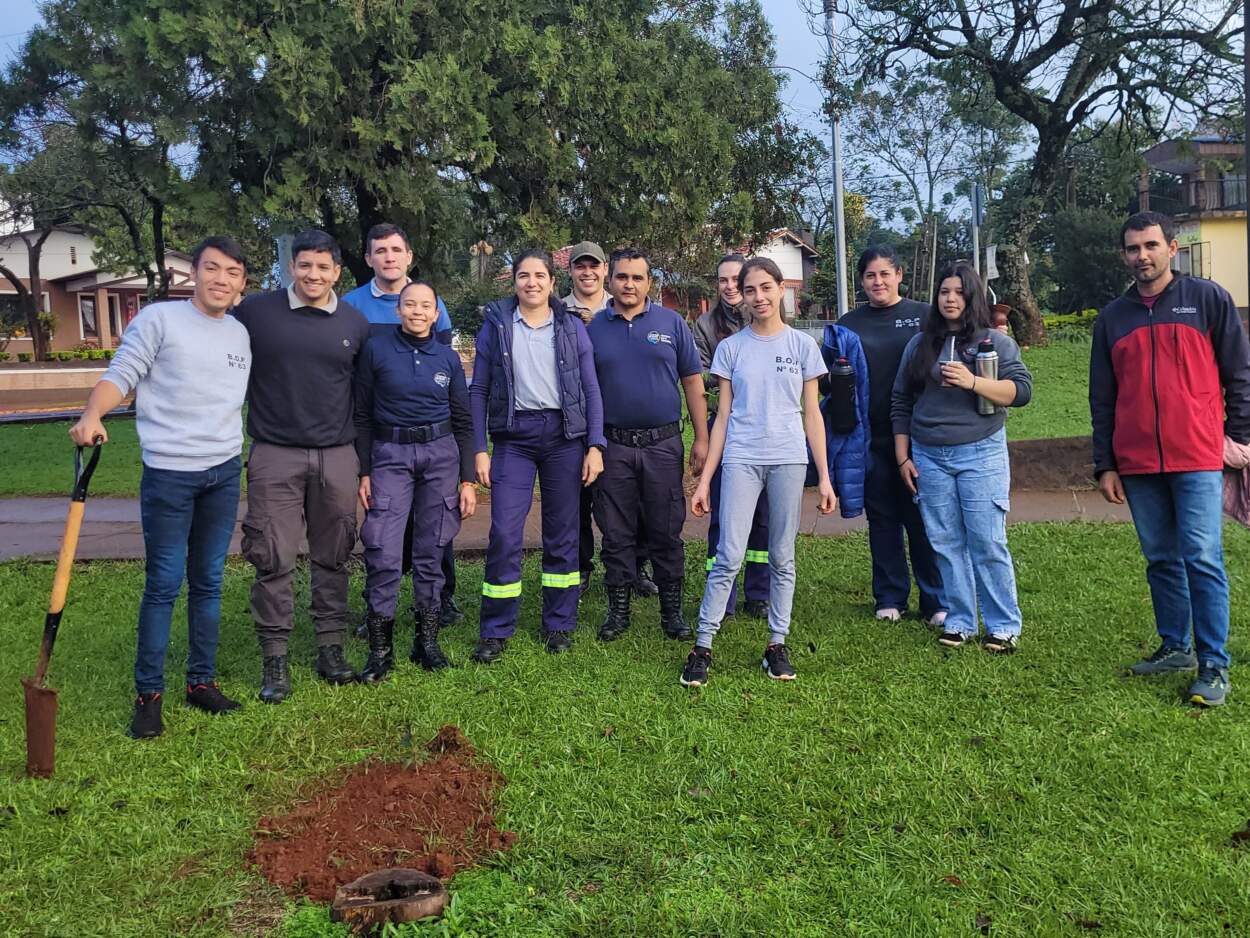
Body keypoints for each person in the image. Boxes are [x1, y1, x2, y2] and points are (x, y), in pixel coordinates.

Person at [69, 236, 251, 738]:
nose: (221, 280)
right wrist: (91, 412)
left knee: (210, 582)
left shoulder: (239, 333)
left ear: (242, 283)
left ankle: (201, 683)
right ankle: (149, 695)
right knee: (164, 584)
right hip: (171, 474)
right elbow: (122, 372)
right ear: (192, 273)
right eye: (212, 269)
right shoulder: (159, 320)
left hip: (223, 471)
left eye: (232, 273)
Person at [1091, 211, 1250, 707]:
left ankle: (1214, 665)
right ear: (1124, 255)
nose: (1143, 256)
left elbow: (1240, 373)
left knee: (1201, 557)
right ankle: (1175, 647)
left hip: (1198, 455)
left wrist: (1240, 436)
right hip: (1137, 462)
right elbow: (1103, 397)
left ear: (1171, 248)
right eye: (1133, 248)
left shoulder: (1207, 300)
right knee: (1161, 558)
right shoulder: (1113, 317)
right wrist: (1105, 463)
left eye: (1151, 246)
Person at [683, 257, 836, 687]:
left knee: (782, 556)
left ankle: (776, 644)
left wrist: (824, 476)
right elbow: (724, 417)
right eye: (750, 290)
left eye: (765, 288)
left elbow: (813, 415)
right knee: (728, 555)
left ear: (780, 288)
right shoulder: (731, 349)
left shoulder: (803, 346)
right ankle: (702, 646)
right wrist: (705, 480)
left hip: (789, 459)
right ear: (741, 296)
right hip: (741, 460)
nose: (759, 297)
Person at [233, 230, 372, 702]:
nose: (314, 275)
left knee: (333, 553)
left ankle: (330, 648)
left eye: (324, 267)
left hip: (337, 453)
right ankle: (275, 658)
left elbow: (363, 394)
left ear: (337, 272)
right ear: (291, 267)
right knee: (272, 554)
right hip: (276, 451)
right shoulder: (255, 313)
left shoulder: (354, 322)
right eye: (305, 266)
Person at [470, 249, 606, 661]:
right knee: (505, 533)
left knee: (562, 533)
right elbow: (477, 390)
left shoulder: (570, 326)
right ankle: (496, 629)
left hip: (564, 437)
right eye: (523, 275)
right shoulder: (496, 325)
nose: (531, 282)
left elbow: (591, 388)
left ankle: (559, 624)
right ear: (514, 282)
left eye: (539, 275)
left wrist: (595, 445)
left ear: (552, 282)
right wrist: (479, 449)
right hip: (513, 438)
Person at [891, 261, 1032, 652]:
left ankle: (1003, 625)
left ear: (972, 297)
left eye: (959, 292)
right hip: (928, 454)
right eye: (943, 292)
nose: (950, 299)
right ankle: (960, 620)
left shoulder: (995, 342)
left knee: (987, 541)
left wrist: (974, 382)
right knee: (945, 541)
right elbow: (901, 400)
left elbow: (1021, 392)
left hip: (980, 452)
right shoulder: (920, 344)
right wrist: (904, 456)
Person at [353, 281, 477, 682]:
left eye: (426, 306)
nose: (419, 311)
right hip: (391, 454)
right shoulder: (376, 350)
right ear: (398, 310)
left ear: (436, 313)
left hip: (440, 456)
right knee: (384, 549)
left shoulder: (448, 358)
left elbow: (463, 419)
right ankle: (380, 649)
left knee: (432, 548)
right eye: (411, 304)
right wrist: (365, 470)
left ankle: (427, 642)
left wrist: (468, 480)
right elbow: (362, 415)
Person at [587, 246, 709, 643]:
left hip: (663, 444)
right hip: (614, 446)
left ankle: (671, 613)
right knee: (616, 531)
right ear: (611, 280)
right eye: (622, 276)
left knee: (665, 529)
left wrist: (701, 438)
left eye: (637, 277)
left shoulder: (671, 323)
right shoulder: (593, 330)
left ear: (649, 282)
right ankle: (618, 611)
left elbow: (692, 381)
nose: (629, 284)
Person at [343, 223, 461, 629]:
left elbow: (439, 361)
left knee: (436, 525)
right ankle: (378, 609)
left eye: (397, 249)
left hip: (433, 439)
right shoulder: (352, 305)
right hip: (384, 433)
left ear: (409, 255)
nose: (389, 257)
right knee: (384, 530)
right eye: (381, 250)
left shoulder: (433, 301)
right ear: (369, 258)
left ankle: (439, 601)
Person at [838, 246, 945, 625]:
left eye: (885, 274)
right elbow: (832, 379)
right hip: (869, 436)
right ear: (862, 281)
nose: (878, 282)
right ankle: (889, 597)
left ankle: (936, 601)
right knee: (882, 518)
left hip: (920, 435)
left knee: (923, 517)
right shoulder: (849, 323)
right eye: (870, 276)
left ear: (899, 274)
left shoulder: (924, 316)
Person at [562, 241, 659, 598]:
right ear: (570, 271)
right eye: (579, 266)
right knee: (578, 499)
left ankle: (637, 565)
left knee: (633, 500)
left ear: (605, 270)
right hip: (573, 421)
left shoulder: (623, 304)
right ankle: (583, 566)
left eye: (594, 266)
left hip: (619, 421)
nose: (587, 272)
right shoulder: (557, 311)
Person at [691, 253, 770, 620]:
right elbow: (702, 373)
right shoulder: (705, 325)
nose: (730, 286)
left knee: (763, 519)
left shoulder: (764, 314)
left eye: (736, 279)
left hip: (765, 426)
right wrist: (737, 374)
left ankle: (760, 591)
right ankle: (722, 595)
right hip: (725, 424)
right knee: (723, 516)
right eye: (723, 280)